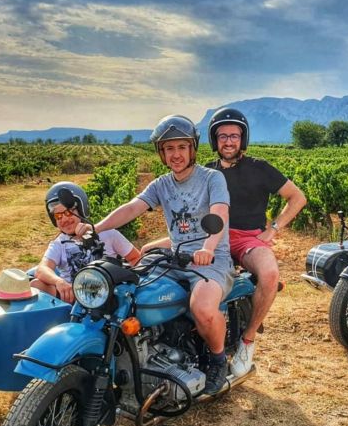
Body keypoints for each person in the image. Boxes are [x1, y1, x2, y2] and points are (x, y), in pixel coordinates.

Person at [78, 115, 234, 395]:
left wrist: (208, 248)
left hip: (210, 258)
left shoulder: (212, 178)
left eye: (181, 147)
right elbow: (132, 207)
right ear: (161, 153)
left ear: (192, 149)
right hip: (173, 257)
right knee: (126, 290)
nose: (176, 154)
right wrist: (96, 229)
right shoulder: (162, 184)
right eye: (169, 149)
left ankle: (218, 360)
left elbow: (219, 212)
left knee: (203, 308)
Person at [204, 108, 306, 378]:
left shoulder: (260, 168)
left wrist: (273, 229)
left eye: (234, 136)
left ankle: (247, 341)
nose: (228, 141)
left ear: (243, 139)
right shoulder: (206, 172)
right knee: (151, 253)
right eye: (222, 136)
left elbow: (297, 198)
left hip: (248, 238)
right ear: (215, 140)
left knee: (270, 273)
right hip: (214, 238)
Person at [32, 181, 140, 303]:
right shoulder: (58, 244)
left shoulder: (108, 233)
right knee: (36, 284)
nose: (64, 219)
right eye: (58, 216)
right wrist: (59, 282)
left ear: (82, 209)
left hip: (110, 298)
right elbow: (41, 269)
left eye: (68, 212)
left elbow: (136, 257)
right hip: (74, 300)